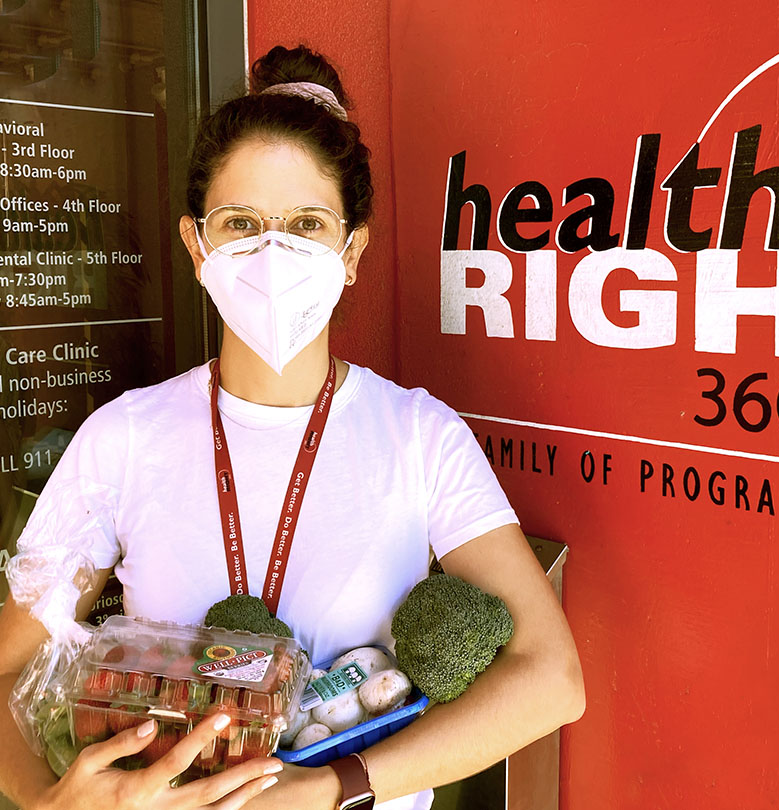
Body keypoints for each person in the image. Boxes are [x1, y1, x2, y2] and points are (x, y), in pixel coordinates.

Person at [0, 44, 585, 810]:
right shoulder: (123, 440)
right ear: (196, 244)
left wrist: (335, 788)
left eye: (306, 223)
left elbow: (552, 679)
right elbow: (7, 666)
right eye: (242, 223)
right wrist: (48, 802)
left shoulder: (419, 437)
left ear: (352, 249)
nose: (273, 251)